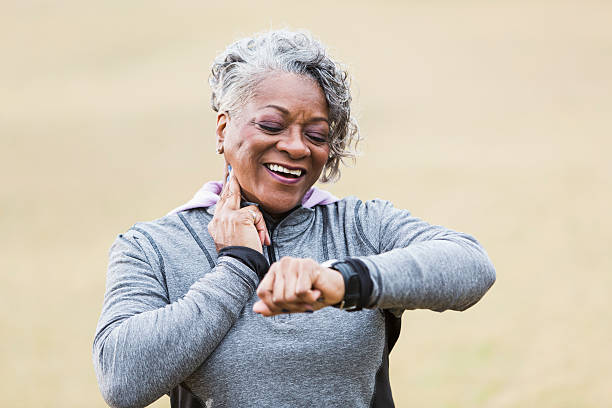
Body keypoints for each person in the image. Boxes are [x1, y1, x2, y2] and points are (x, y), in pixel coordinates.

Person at [93, 29, 496, 408]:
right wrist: (237, 267)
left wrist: (340, 281)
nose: (296, 147)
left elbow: (471, 266)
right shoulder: (154, 247)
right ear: (223, 128)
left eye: (317, 135)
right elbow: (121, 380)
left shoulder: (359, 226)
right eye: (271, 124)